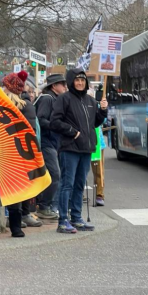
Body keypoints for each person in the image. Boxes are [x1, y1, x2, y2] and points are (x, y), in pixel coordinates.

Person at [0, 71, 42, 239]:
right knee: (15, 190)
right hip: (18, 155)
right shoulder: (26, 106)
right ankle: (16, 229)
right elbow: (30, 133)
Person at [50, 68, 108, 233]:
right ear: (71, 82)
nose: (80, 83)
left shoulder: (90, 101)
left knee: (79, 185)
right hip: (69, 148)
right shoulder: (64, 99)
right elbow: (55, 121)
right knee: (66, 184)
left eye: (83, 80)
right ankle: (63, 220)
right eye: (77, 80)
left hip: (86, 148)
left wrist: (103, 111)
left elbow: (94, 123)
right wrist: (72, 132)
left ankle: (76, 217)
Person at [34, 73, 67, 219]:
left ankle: (45, 205)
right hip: (46, 143)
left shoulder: (53, 99)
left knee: (52, 175)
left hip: (52, 143)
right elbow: (40, 120)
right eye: (62, 84)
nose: (65, 87)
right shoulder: (47, 99)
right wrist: (57, 126)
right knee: (55, 175)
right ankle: (44, 206)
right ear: (54, 86)